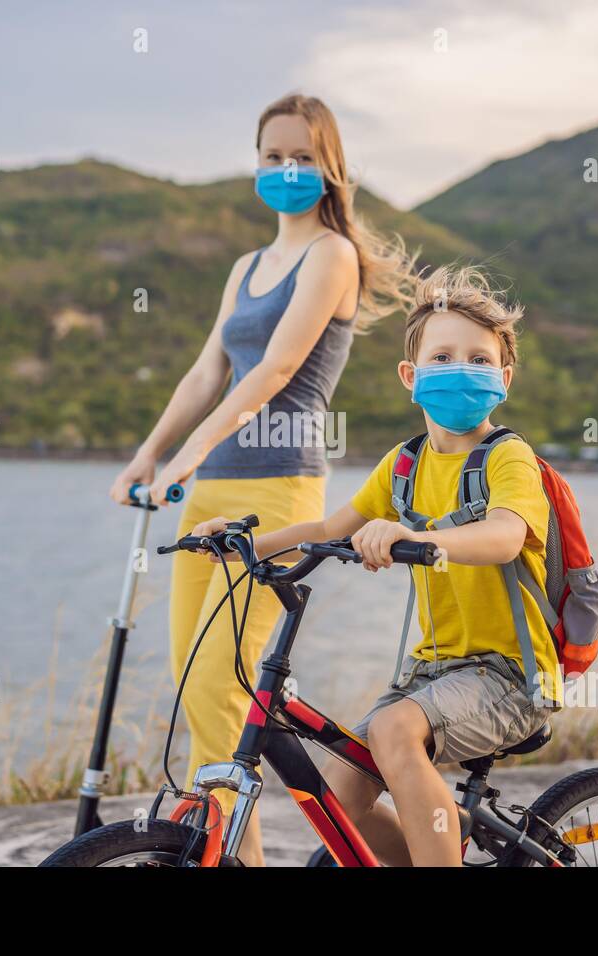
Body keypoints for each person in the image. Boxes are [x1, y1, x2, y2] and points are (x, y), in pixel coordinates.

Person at [108, 93, 413, 866]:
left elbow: (277, 368)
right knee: (193, 678)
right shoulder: (247, 267)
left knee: (223, 679)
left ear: (330, 167)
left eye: (302, 157)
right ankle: (227, 849)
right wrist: (152, 453)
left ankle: (241, 851)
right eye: (273, 156)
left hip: (276, 491)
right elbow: (208, 368)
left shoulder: (332, 257)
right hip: (208, 490)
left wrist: (190, 451)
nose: (286, 170)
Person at [189, 265, 557, 866]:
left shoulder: (508, 458)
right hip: (434, 671)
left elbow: (506, 536)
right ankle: (435, 847)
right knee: (339, 791)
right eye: (441, 357)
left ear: (504, 379)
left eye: (477, 359)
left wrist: (421, 537)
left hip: (511, 675)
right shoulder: (404, 465)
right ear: (410, 377)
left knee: (391, 734)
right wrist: (243, 542)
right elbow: (328, 531)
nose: (459, 369)